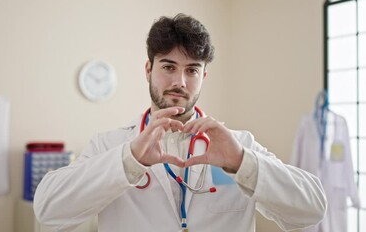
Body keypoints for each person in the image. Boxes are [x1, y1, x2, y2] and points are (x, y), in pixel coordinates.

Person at [34, 14, 327, 232]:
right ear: (148, 69)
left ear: (204, 76)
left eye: (192, 70)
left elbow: (312, 209)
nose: (179, 82)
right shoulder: (110, 145)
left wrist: (242, 163)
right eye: (168, 67)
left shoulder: (238, 146)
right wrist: (129, 160)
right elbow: (48, 209)